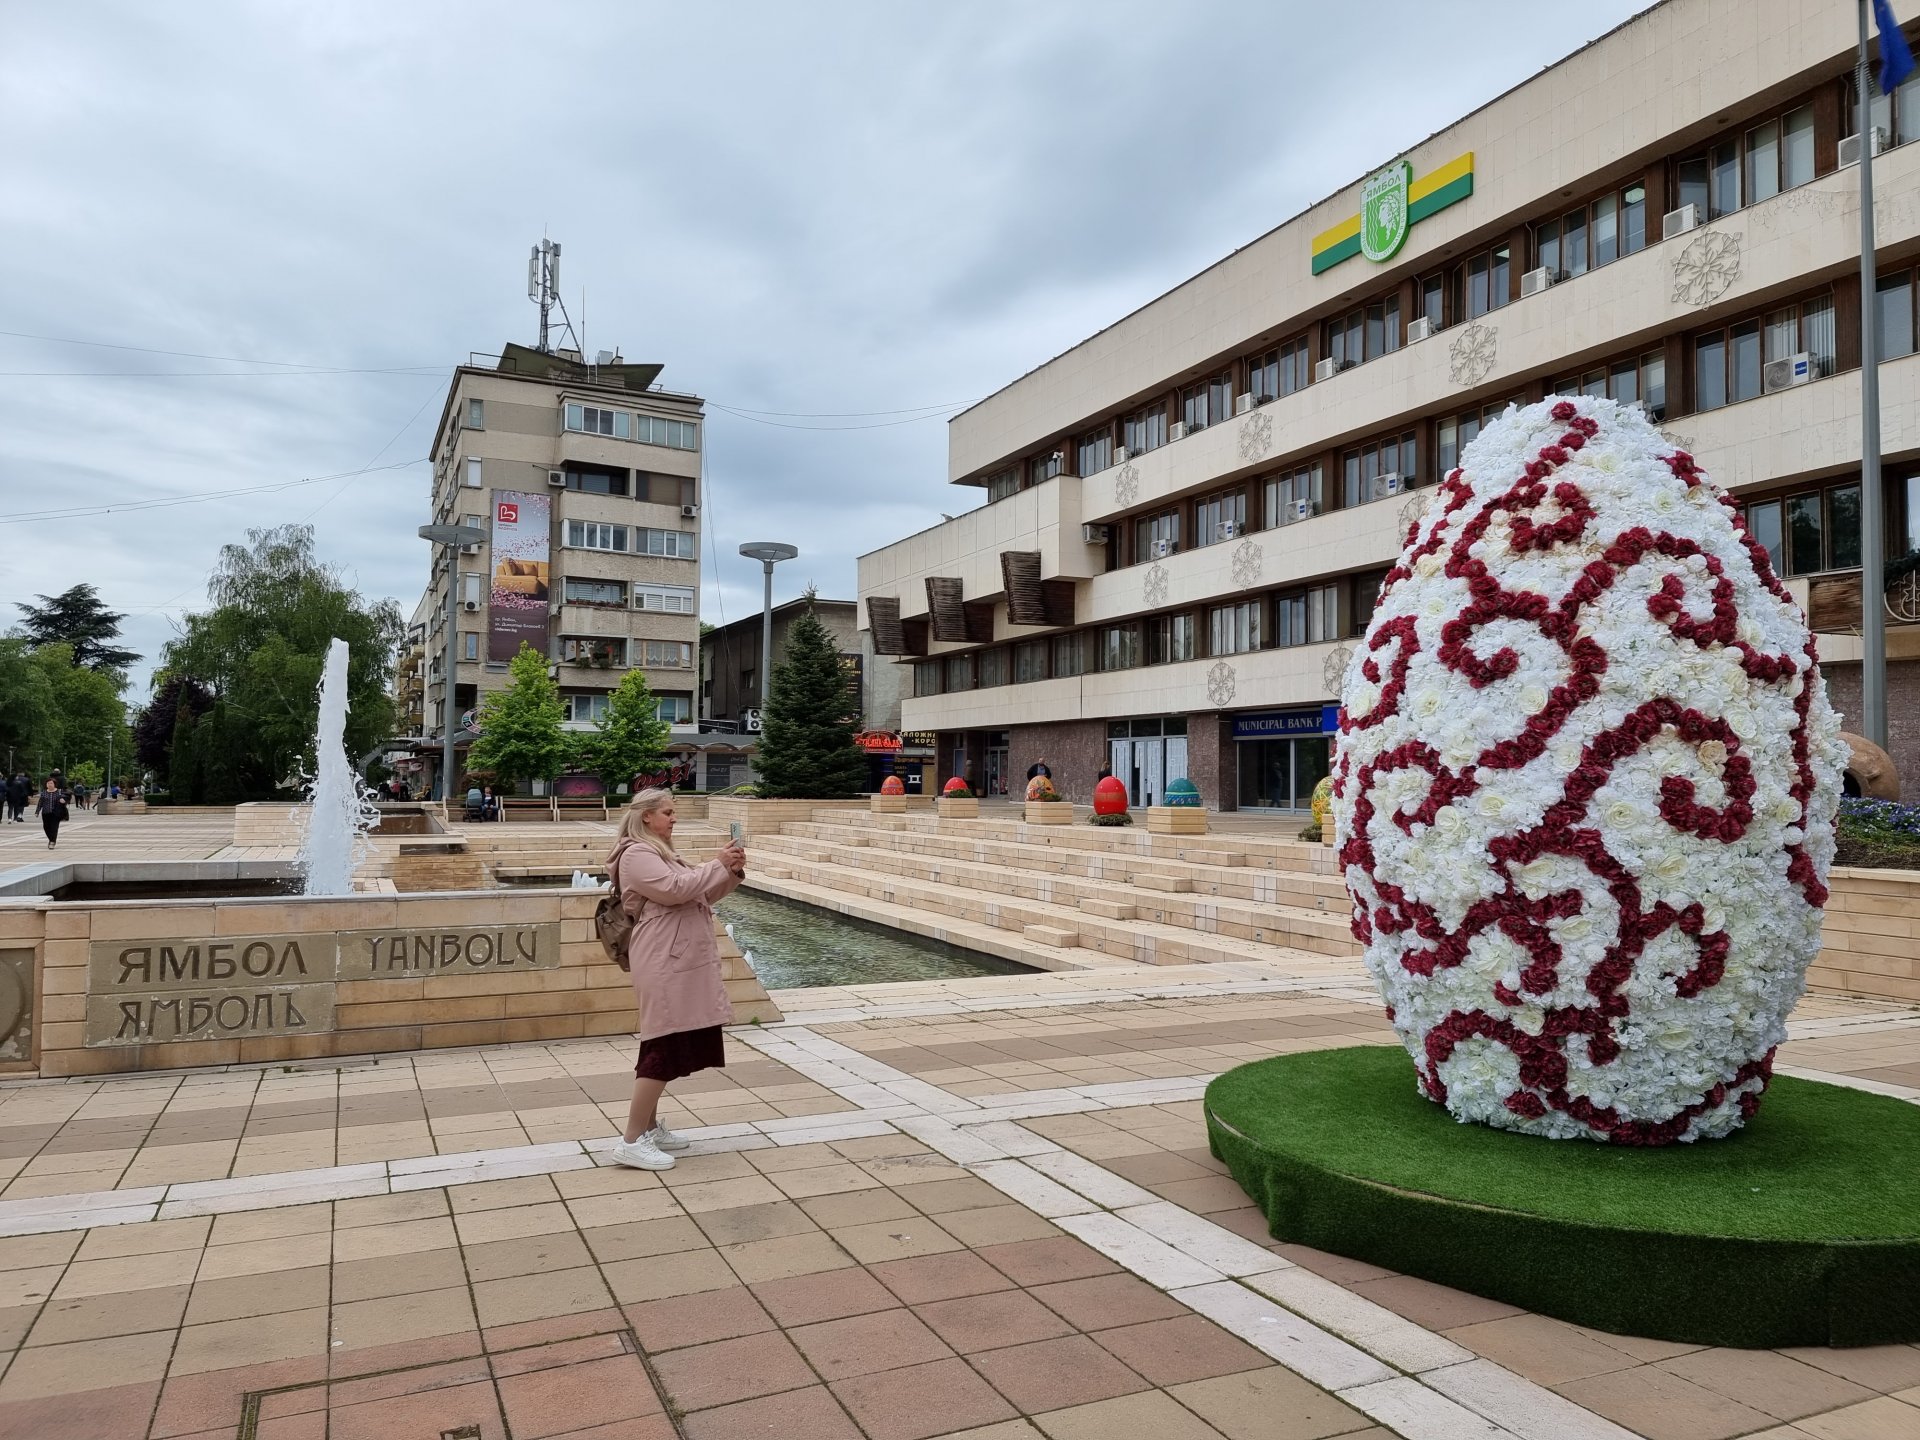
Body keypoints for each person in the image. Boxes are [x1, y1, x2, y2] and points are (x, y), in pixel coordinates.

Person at [604, 788, 746, 1170]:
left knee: (664, 1042)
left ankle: (647, 1128)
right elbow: (674, 890)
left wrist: (728, 870)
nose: (673, 818)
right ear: (646, 816)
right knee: (663, 1047)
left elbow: (697, 895)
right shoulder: (636, 854)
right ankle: (631, 1140)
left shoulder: (659, 853)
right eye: (667, 812)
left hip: (674, 958)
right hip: (664, 960)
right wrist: (716, 863)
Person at [36, 779, 67, 849]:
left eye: (51, 783)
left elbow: (66, 798)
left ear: (54, 784)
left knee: (54, 827)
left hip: (56, 813)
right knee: (46, 827)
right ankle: (51, 839)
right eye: (48, 783)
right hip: (45, 812)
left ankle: (52, 841)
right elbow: (40, 802)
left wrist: (63, 801)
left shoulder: (59, 792)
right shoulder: (44, 792)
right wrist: (37, 811)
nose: (49, 785)